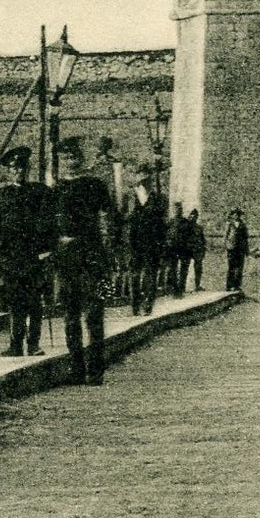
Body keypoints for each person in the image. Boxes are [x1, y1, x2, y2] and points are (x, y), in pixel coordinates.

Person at [50, 137, 118, 385]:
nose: (71, 162)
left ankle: (96, 369)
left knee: (95, 313)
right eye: (66, 158)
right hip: (66, 261)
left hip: (94, 260)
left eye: (74, 157)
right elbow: (49, 227)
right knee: (69, 315)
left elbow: (110, 217)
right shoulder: (55, 190)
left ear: (81, 159)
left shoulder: (95, 185)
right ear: (61, 161)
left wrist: (110, 250)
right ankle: (76, 367)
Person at [0, 146, 56, 357]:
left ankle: (33, 344)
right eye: (14, 169)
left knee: (33, 301)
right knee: (15, 302)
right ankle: (15, 345)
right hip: (11, 258)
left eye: (22, 168)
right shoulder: (2, 195)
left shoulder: (40, 192)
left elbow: (50, 224)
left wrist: (48, 250)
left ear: (27, 169)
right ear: (8, 171)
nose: (18, 172)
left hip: (34, 256)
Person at [125, 177, 167, 316]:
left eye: (147, 180)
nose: (145, 183)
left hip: (152, 244)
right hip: (135, 244)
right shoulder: (131, 198)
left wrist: (161, 245)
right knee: (135, 276)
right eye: (142, 180)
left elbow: (161, 222)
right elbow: (125, 220)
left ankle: (148, 304)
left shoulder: (158, 198)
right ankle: (135, 305)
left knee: (150, 276)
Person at [224, 208, 250, 298]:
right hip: (231, 248)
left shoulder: (243, 225)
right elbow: (226, 236)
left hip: (240, 249)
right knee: (231, 266)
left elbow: (246, 239)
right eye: (235, 214)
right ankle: (229, 285)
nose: (236, 216)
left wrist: (246, 250)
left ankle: (237, 285)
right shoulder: (229, 224)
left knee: (239, 268)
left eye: (238, 214)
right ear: (232, 215)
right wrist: (226, 247)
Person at [165, 202, 187, 296]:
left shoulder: (185, 222)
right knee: (173, 269)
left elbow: (189, 235)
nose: (178, 211)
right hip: (172, 248)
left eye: (179, 209)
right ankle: (175, 289)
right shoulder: (170, 222)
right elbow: (166, 235)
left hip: (183, 248)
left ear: (181, 210)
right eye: (176, 209)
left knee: (183, 269)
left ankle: (181, 288)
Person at [184, 208, 207, 292]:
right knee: (184, 268)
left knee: (198, 269)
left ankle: (197, 285)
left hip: (197, 250)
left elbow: (202, 239)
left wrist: (203, 249)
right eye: (192, 216)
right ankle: (182, 286)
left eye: (196, 217)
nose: (194, 218)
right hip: (187, 250)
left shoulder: (199, 228)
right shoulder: (186, 227)